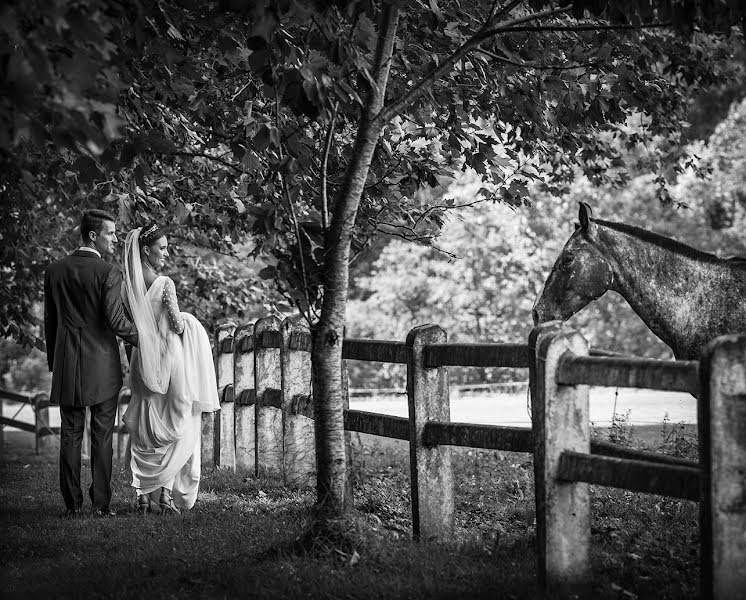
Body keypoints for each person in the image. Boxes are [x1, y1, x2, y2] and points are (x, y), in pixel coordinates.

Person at [44, 209, 139, 518]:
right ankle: (101, 504)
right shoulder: (109, 272)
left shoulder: (55, 269)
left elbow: (50, 322)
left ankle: (72, 505)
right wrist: (147, 342)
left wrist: (54, 363)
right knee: (101, 434)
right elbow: (115, 320)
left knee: (70, 433)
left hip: (67, 364)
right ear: (93, 235)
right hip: (102, 366)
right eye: (111, 233)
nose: (115, 238)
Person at [121, 222, 219, 514]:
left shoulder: (127, 287)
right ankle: (163, 497)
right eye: (161, 248)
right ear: (146, 251)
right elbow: (176, 324)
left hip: (141, 360)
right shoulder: (165, 284)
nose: (165, 253)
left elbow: (130, 327)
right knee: (175, 421)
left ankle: (142, 496)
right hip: (168, 359)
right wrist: (189, 319)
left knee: (145, 423)